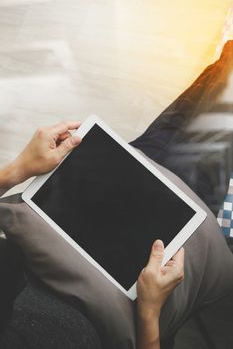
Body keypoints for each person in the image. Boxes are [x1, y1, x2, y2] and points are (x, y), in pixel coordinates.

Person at [0, 121, 184, 349]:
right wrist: (149, 313)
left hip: (66, 237)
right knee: (183, 146)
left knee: (171, 133)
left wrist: (15, 171)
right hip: (121, 304)